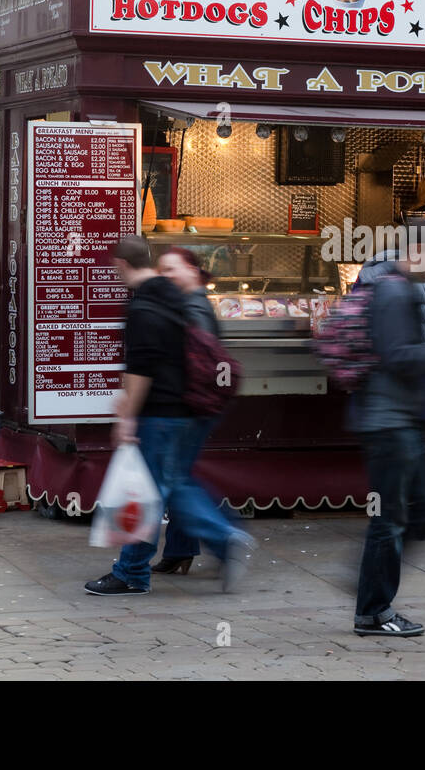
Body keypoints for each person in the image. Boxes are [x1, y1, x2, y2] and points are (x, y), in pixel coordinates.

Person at [86, 237, 254, 596]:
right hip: (185, 410)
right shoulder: (174, 297)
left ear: (121, 265)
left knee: (153, 491)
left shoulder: (144, 307)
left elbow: (142, 368)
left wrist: (127, 417)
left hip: (160, 414)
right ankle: (219, 543)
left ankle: (133, 572)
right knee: (171, 486)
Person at [349, 219, 425, 636]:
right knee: (391, 517)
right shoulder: (392, 291)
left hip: (400, 416)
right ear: (418, 250)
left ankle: (370, 592)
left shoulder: (401, 287)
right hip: (387, 419)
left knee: (418, 507)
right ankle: (373, 609)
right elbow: (397, 356)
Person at [148, 246, 228, 575]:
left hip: (190, 406)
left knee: (175, 481)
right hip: (193, 405)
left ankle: (225, 538)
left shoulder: (194, 306)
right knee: (179, 477)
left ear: (193, 271)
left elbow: (201, 362)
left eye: (171, 269)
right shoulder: (188, 303)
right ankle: (182, 548)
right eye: (161, 270)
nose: (164, 275)